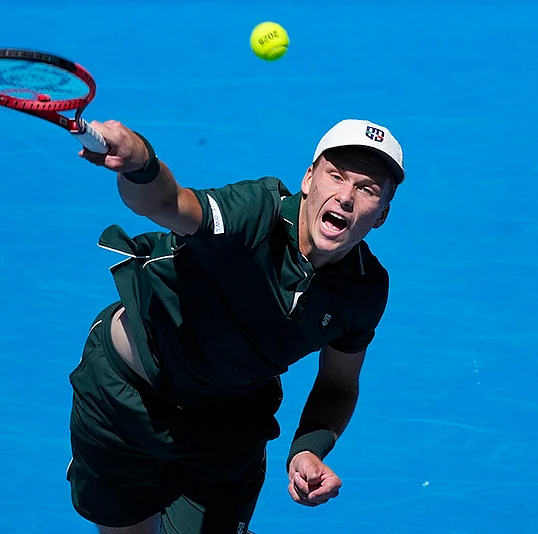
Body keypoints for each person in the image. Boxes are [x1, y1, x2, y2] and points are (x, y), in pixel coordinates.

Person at [65, 118, 405, 534]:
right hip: (125, 400)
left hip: (227, 426)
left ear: (382, 214)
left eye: (367, 189)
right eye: (336, 176)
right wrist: (141, 162)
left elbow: (339, 384)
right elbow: (166, 202)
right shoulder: (253, 214)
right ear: (308, 179)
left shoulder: (364, 289)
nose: (346, 197)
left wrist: (308, 449)